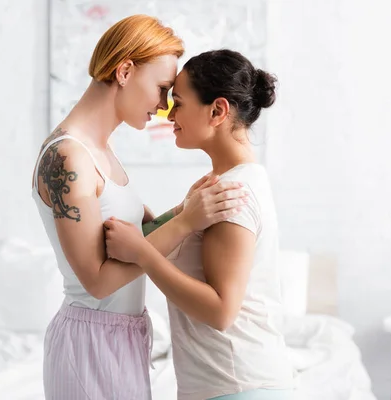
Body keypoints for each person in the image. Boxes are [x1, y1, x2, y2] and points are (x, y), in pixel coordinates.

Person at [31, 16, 248, 400]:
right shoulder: (67, 157)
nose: (165, 108)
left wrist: (184, 210)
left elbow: (133, 238)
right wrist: (184, 223)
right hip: (89, 344)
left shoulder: (99, 152)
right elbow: (96, 282)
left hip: (121, 338)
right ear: (126, 71)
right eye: (163, 89)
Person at [103, 49, 297, 400]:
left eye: (178, 102)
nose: (167, 112)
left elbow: (221, 311)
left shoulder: (232, 193)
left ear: (217, 110)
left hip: (239, 385)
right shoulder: (221, 185)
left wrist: (144, 256)